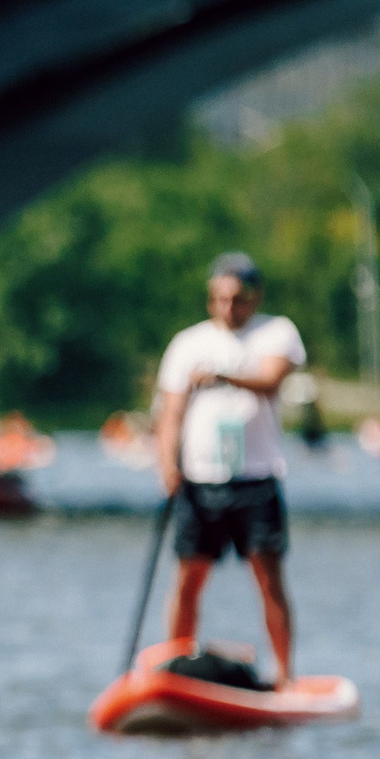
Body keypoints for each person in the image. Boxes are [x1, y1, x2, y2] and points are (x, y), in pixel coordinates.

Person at [153, 252, 304, 686]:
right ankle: (175, 667)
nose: (227, 309)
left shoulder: (277, 332)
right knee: (188, 578)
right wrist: (167, 464)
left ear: (254, 298)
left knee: (268, 578)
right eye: (219, 299)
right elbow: (170, 413)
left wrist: (223, 376)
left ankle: (284, 675)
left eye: (236, 300)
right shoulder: (187, 344)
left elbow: (271, 381)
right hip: (200, 481)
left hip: (255, 478)